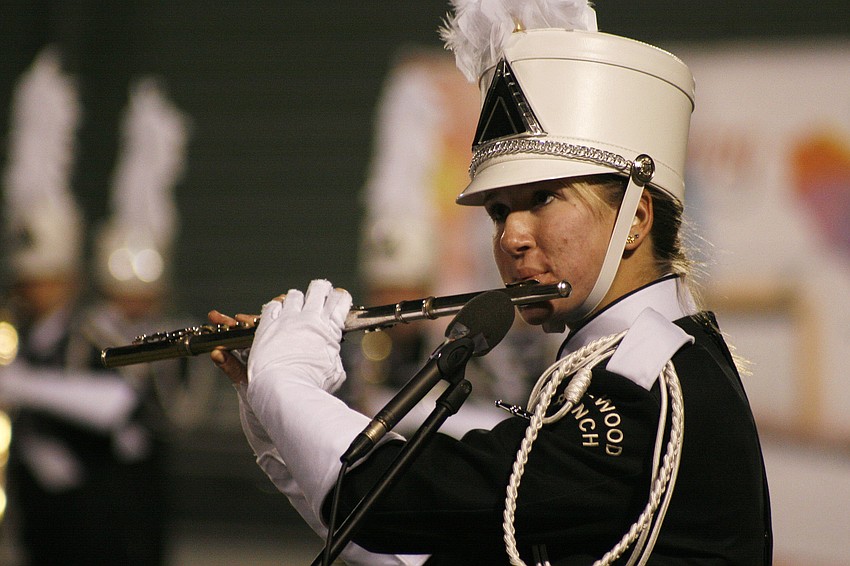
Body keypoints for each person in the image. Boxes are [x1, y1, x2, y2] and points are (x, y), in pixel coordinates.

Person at [209, 1, 773, 564]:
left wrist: (289, 385)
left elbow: (399, 504)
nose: (512, 238)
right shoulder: (614, 371)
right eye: (500, 211)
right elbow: (424, 548)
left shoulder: (646, 388)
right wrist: (278, 416)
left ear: (636, 219)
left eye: (543, 199)